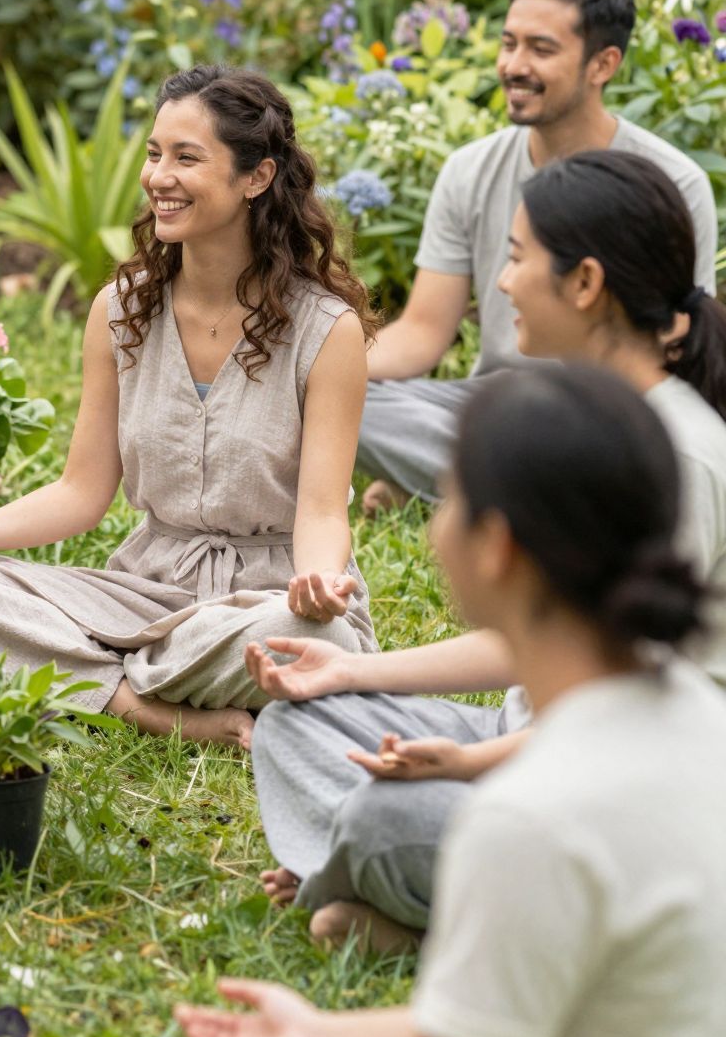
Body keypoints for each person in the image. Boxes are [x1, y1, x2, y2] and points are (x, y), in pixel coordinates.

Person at [83, 364, 726, 1037]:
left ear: (499, 546)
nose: (432, 528)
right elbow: (542, 1036)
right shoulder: (696, 719)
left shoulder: (535, 813)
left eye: (451, 500)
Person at [251, 150, 726, 952]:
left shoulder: (674, 455)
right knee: (298, 723)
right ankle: (387, 882)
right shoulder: (590, 421)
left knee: (391, 814)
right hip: (529, 743)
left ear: (584, 284)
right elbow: (540, 637)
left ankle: (402, 904)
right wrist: (349, 673)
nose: (501, 284)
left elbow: (633, 716)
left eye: (516, 258)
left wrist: (469, 768)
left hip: (626, 793)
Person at [0, 67, 377, 750]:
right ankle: (140, 703)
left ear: (257, 178)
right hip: (144, 595)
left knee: (310, 640)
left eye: (186, 158)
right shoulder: (121, 311)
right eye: (154, 154)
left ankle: (83, 673)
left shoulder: (327, 331)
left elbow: (323, 513)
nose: (159, 177)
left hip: (271, 601)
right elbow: (80, 493)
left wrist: (319, 582)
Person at [357, 0, 718, 512]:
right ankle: (495, 482)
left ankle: (465, 481)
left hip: (610, 410)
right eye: (508, 44)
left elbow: (677, 345)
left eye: (541, 49)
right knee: (341, 399)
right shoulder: (469, 170)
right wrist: (313, 367)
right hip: (495, 402)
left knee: (622, 448)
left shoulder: (670, 182)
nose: (513, 65)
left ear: (603, 63)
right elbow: (423, 332)